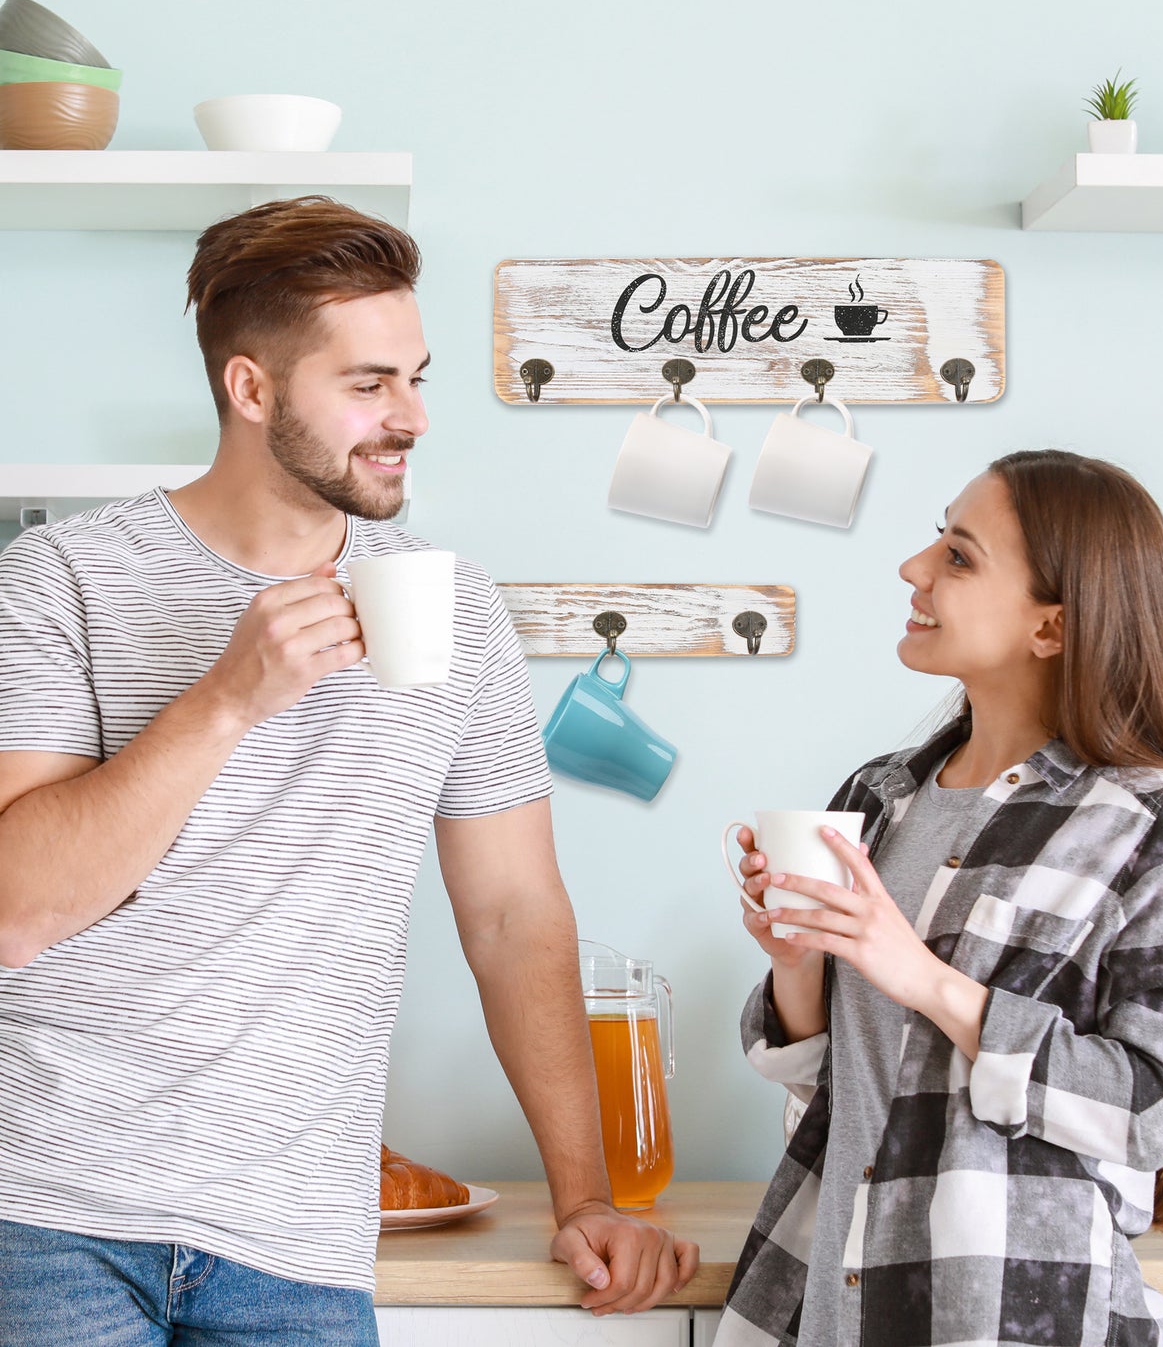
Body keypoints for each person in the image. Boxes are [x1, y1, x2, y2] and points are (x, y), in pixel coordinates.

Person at [0, 195, 698, 1344]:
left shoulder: (456, 607)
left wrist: (584, 1195)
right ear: (252, 388)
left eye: (416, 377)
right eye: (369, 384)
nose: (412, 416)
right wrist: (228, 697)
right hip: (49, 1215)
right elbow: (20, 908)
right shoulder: (59, 578)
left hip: (299, 1238)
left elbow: (516, 914)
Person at [717, 450, 1163, 1347]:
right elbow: (842, 1093)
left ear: (1051, 628)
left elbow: (1152, 1108)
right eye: (935, 541)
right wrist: (797, 966)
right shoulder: (878, 797)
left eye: (958, 556)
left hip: (1008, 1319)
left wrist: (926, 980)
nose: (914, 569)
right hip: (831, 1308)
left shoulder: (1145, 816)